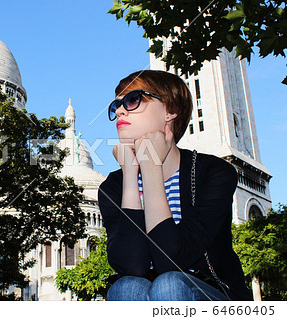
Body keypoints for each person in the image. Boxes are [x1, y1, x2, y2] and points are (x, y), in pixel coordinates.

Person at [98, 70, 252, 301]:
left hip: (214, 296)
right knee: (126, 287)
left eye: (132, 100)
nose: (119, 110)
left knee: (170, 284)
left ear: (170, 111)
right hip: (147, 293)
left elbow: (171, 260)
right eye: (116, 105)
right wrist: (130, 175)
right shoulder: (112, 186)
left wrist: (151, 168)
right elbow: (132, 266)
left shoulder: (213, 172)